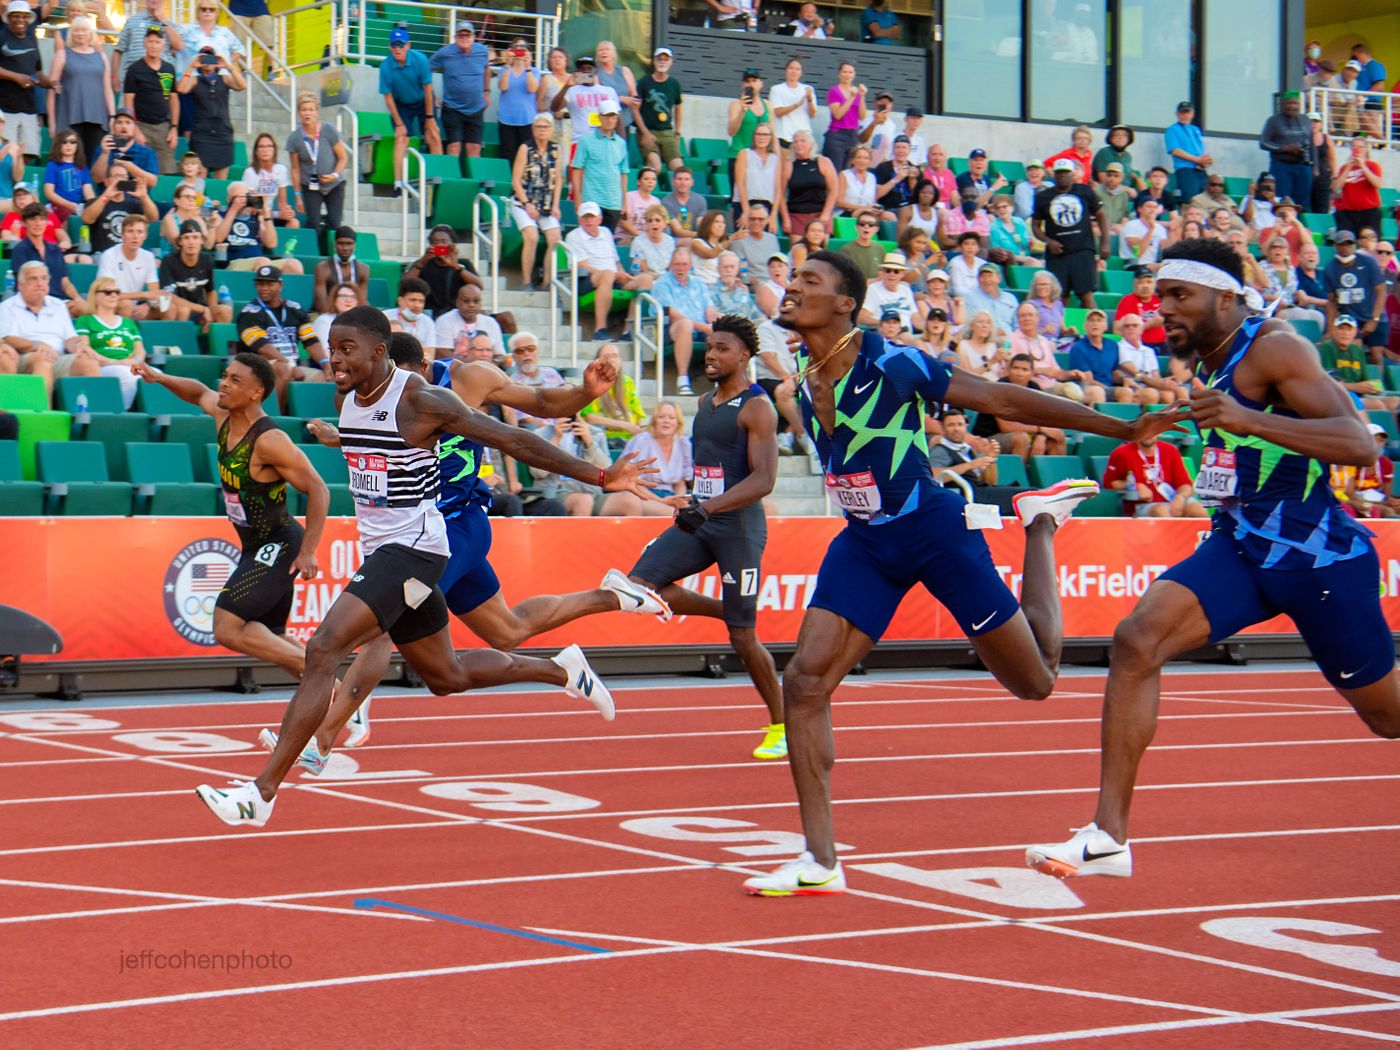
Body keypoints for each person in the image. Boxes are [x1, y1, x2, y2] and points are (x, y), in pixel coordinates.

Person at [741, 249, 1179, 896]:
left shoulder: (893, 359)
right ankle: (821, 859)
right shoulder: (802, 382)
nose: (791, 287)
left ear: (843, 304)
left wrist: (1119, 426)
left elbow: (1002, 396)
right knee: (804, 683)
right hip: (866, 542)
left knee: (1037, 681)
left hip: (934, 532)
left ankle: (1039, 525)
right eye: (793, 277)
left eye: (809, 281)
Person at [195, 308, 660, 826]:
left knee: (325, 646)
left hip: (416, 548)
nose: (336, 359)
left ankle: (262, 793)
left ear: (379, 352)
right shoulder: (346, 397)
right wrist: (339, 440)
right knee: (447, 675)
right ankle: (560, 669)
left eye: (347, 349)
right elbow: (374, 448)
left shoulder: (423, 400)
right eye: (332, 348)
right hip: (385, 550)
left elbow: (515, 440)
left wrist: (599, 475)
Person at [1025, 238, 1399, 881]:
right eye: (1160, 295)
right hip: (1241, 548)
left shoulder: (1275, 345)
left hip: (1317, 561)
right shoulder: (1213, 362)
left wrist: (1248, 423)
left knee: (1389, 719)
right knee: (1137, 639)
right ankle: (1109, 835)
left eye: (1179, 296)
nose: (1162, 308)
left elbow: (1358, 443)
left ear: (1225, 297)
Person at [135, 351, 393, 752]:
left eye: (234, 380)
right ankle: (340, 706)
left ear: (256, 393)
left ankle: (342, 698)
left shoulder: (271, 441)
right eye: (225, 376)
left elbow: (319, 489)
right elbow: (197, 392)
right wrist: (157, 376)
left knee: (227, 626)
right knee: (272, 637)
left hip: (277, 544)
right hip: (253, 545)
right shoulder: (222, 416)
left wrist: (309, 551)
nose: (223, 384)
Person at [621, 315, 786, 756]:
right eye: (709, 347)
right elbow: (713, 472)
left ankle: (781, 725)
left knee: (743, 637)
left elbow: (763, 480)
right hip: (701, 517)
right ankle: (724, 609)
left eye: (722, 349)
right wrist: (693, 498)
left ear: (745, 355)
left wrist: (707, 506)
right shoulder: (706, 401)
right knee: (636, 585)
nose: (711, 355)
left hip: (739, 529)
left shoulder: (757, 406)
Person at [236, 264, 327, 397]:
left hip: (290, 364)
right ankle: (276, 416)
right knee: (282, 369)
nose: (264, 288)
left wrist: (325, 364)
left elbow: (311, 341)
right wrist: (290, 365)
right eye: (260, 284)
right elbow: (263, 347)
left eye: (269, 284)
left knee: (322, 377)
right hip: (258, 366)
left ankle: (311, 417)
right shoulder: (249, 313)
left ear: (280, 285)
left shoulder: (295, 310)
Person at [1, 261, 89, 396]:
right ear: (21, 284)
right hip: (26, 357)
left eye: (44, 278)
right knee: (43, 359)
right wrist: (37, 345)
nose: (40, 283)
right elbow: (8, 339)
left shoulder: (58, 305)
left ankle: (91, 415)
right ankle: (43, 413)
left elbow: (69, 338)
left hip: (58, 357)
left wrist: (79, 345)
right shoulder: (8, 307)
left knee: (87, 361)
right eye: (33, 279)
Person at [1033, 158, 1108, 308]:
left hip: (1082, 250)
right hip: (1057, 253)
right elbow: (1035, 225)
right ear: (1054, 175)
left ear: (1072, 174)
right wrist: (1048, 241)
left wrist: (1105, 242)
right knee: (1059, 298)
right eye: (1059, 173)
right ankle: (1063, 330)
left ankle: (1093, 328)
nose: (1062, 176)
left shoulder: (1084, 191)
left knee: (1086, 295)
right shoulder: (1043, 196)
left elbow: (1101, 215)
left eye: (1066, 172)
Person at [563, 201, 639, 342]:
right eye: (585, 217)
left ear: (599, 219)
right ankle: (600, 330)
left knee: (644, 280)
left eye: (591, 217)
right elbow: (583, 265)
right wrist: (613, 274)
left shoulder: (606, 232)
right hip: (587, 279)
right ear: (579, 219)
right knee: (607, 274)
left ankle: (627, 331)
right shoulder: (573, 236)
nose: (588, 220)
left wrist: (622, 274)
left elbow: (615, 260)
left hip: (613, 276)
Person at [600, 401, 690, 515]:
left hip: (669, 495)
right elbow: (631, 481)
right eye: (661, 417)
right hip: (640, 495)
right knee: (672, 514)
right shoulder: (641, 441)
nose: (666, 421)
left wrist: (679, 499)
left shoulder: (683, 443)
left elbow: (679, 483)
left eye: (671, 417)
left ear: (678, 422)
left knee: (689, 515)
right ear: (654, 421)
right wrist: (661, 501)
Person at [380, 28, 440, 192]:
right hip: (401, 104)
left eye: (401, 45)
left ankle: (439, 180)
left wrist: (429, 116)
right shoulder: (385, 66)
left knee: (433, 133)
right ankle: (398, 184)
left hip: (422, 100)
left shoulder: (420, 59)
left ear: (408, 45)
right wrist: (399, 124)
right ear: (390, 47)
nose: (398, 49)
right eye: (394, 45)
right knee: (401, 137)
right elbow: (388, 97)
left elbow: (428, 89)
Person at [48, 15, 112, 169]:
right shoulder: (63, 54)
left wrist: (112, 116)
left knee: (94, 163)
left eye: (84, 30)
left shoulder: (101, 57)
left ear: (90, 33)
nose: (80, 33)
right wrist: (52, 123)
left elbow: (107, 88)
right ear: (71, 33)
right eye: (76, 30)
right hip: (70, 117)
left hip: (97, 119)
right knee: (69, 163)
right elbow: (51, 90)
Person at [286, 92, 348, 247]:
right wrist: (298, 195)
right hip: (311, 185)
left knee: (334, 223)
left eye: (311, 109)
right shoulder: (294, 138)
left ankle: (332, 254)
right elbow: (295, 168)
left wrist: (334, 175)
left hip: (334, 184)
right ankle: (314, 252)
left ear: (317, 111)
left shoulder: (329, 130)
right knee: (313, 222)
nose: (307, 113)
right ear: (299, 112)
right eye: (304, 109)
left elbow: (343, 157)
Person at [653, 246, 715, 395]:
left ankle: (722, 381)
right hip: (670, 328)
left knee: (724, 327)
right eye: (677, 265)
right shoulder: (662, 283)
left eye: (684, 265)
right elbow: (673, 314)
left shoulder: (699, 283)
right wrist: (704, 327)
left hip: (700, 329)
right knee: (685, 324)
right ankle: (682, 379)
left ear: (690, 265)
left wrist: (717, 322)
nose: (681, 269)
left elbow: (709, 309)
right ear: (671, 264)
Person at [510, 112, 562, 288]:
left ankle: (547, 282)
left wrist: (555, 205)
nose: (542, 130)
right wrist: (527, 204)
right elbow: (516, 180)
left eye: (546, 127)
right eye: (539, 127)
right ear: (533, 129)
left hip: (546, 203)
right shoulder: (525, 148)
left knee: (555, 238)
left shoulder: (556, 149)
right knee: (531, 237)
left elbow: (558, 179)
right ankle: (526, 281)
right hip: (523, 201)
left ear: (551, 130)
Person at [177, 47, 243, 179]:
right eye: (204, 58)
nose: (208, 62)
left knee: (221, 180)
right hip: (202, 135)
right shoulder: (196, 80)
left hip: (223, 132)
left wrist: (227, 65)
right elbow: (181, 88)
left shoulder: (224, 79)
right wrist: (192, 66)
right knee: (200, 176)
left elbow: (242, 85)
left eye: (211, 58)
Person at [121, 24, 177, 175]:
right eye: (150, 41)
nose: (153, 45)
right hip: (141, 125)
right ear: (145, 42)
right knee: (139, 170)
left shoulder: (169, 69)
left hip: (163, 128)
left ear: (163, 44)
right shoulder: (134, 69)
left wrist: (174, 127)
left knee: (166, 172)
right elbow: (128, 101)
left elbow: (173, 99)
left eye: (157, 42)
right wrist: (135, 129)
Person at [431, 21, 490, 163]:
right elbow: (425, 70)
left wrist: (487, 91)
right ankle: (451, 181)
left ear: (473, 37)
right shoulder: (444, 53)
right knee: (454, 147)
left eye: (467, 35)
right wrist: (431, 96)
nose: (464, 38)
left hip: (476, 108)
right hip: (452, 108)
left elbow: (487, 68)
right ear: (455, 37)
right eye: (461, 35)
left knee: (475, 148)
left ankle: (474, 183)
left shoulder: (482, 51)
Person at [1325, 228, 1388, 359]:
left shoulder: (1369, 262)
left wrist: (1374, 320)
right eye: (1341, 244)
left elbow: (1381, 291)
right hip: (1351, 318)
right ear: (1335, 246)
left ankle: (1377, 379)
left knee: (1377, 355)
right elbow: (1331, 301)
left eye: (1349, 244)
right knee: (1354, 350)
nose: (1345, 248)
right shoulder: (1330, 268)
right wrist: (1330, 328)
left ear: (1354, 245)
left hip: (1374, 315)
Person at [0, 1, 49, 158]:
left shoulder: (32, 39)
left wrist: (52, 83)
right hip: (5, 109)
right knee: (6, 155)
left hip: (29, 108)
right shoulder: (1, 36)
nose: (20, 19)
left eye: (24, 16)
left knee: (27, 154)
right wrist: (16, 78)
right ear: (8, 18)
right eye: (16, 16)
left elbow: (39, 72)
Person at [570, 99, 628, 230]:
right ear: (600, 117)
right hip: (591, 199)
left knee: (606, 241)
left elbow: (623, 174)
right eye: (606, 116)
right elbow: (577, 169)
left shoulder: (621, 143)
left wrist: (624, 202)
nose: (609, 120)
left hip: (614, 202)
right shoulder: (586, 141)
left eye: (613, 116)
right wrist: (578, 199)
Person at [80, 160, 159, 255]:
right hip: (102, 255)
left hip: (129, 256)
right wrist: (106, 196)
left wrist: (144, 196)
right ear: (106, 181)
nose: (121, 180)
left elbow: (153, 218)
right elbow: (87, 219)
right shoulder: (95, 202)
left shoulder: (134, 204)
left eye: (124, 177)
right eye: (116, 176)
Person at [159, 219, 228, 326]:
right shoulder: (169, 261)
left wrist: (210, 309)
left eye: (195, 237)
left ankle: (216, 340)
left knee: (225, 310)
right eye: (186, 238)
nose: (191, 242)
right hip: (178, 310)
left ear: (202, 241)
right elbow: (169, 297)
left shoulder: (207, 260)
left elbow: (211, 291)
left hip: (199, 310)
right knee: (183, 310)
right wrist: (203, 309)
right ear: (180, 241)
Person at [579, 342, 646, 449]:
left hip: (631, 440)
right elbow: (591, 418)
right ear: (598, 361)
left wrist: (640, 431)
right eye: (606, 356)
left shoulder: (628, 383)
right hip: (604, 440)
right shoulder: (592, 383)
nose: (612, 360)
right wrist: (624, 425)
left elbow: (637, 416)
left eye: (615, 356)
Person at [407, 224, 482, 318]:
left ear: (452, 245)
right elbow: (405, 284)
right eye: (435, 242)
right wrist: (422, 262)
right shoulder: (423, 263)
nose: (439, 245)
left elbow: (479, 286)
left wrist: (456, 266)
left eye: (444, 241)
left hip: (457, 313)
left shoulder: (463, 263)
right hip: (429, 313)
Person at [95, 213, 161, 319]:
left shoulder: (148, 257)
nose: (135, 236)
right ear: (122, 234)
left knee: (169, 308)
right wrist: (143, 295)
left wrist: (147, 305)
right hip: (111, 303)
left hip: (134, 306)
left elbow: (154, 292)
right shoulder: (109, 255)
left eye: (140, 232)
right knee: (126, 305)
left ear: (145, 236)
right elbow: (107, 293)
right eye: (130, 231)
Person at [212, 183, 283, 273]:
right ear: (229, 199)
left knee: (293, 264)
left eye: (246, 196)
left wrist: (265, 211)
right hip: (235, 263)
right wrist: (233, 209)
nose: (243, 200)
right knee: (262, 262)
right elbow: (218, 238)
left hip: (260, 261)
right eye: (239, 197)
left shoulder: (255, 218)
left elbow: (271, 244)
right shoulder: (221, 215)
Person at [1258, 91, 1312, 209]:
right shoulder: (1273, 120)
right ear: (1283, 104)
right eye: (1289, 103)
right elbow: (1263, 143)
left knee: (1303, 203)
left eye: (1295, 103)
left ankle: (1301, 226)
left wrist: (1315, 166)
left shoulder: (1305, 119)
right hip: (1281, 167)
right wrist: (1285, 148)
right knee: (1282, 200)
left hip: (1303, 167)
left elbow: (1312, 143)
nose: (1292, 106)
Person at [634, 46, 682, 174]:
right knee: (656, 168)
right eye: (659, 59)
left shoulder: (674, 84)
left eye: (666, 59)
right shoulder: (644, 82)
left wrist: (677, 134)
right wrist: (644, 133)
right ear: (654, 61)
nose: (662, 62)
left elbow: (678, 109)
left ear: (671, 62)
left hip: (667, 132)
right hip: (648, 131)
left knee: (679, 170)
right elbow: (635, 110)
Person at [780, 130, 836, 239]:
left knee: (820, 253)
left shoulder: (823, 162)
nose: (799, 144)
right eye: (796, 142)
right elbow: (780, 195)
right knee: (799, 251)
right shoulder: (788, 165)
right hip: (796, 215)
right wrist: (786, 218)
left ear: (811, 144)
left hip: (820, 214)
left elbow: (834, 189)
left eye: (802, 141)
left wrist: (826, 214)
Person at [495, 38, 539, 167]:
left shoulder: (534, 71)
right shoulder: (504, 70)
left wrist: (528, 67)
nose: (519, 50)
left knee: (526, 156)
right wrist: (508, 65)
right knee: (507, 155)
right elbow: (503, 87)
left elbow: (532, 88)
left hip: (527, 120)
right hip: (506, 120)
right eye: (516, 47)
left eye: (523, 47)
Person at [240, 132, 298, 229]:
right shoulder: (250, 172)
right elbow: (254, 208)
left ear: (274, 150)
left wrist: (287, 212)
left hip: (270, 214)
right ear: (256, 152)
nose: (265, 150)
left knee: (294, 223)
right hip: (255, 215)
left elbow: (282, 203)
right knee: (263, 221)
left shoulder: (281, 169)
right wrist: (277, 215)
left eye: (269, 146)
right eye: (261, 147)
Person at [928, 408, 998, 489]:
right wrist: (970, 465)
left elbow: (990, 482)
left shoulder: (968, 450)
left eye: (960, 424)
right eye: (951, 425)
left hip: (979, 493)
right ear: (943, 428)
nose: (956, 429)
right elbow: (933, 477)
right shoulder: (940, 450)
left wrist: (990, 459)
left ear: (966, 427)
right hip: (962, 496)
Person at [90, 109, 159, 189]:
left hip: (137, 199)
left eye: (128, 122)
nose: (123, 126)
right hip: (108, 198)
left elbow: (152, 183)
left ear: (135, 128)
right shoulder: (103, 149)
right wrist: (105, 153)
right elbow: (96, 179)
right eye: (119, 122)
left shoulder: (147, 152)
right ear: (113, 127)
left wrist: (128, 165)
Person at [1333, 135, 1383, 237]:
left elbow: (1377, 183)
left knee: (1371, 241)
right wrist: (1349, 167)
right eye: (1354, 147)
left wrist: (1363, 166)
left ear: (1366, 149)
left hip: (1369, 212)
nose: (1357, 150)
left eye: (1360, 147)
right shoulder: (1344, 168)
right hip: (1348, 213)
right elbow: (1336, 187)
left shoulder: (1373, 166)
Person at [434, 283, 503, 357]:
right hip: (457, 367)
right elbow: (443, 353)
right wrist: (472, 364)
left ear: (480, 303)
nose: (471, 305)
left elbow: (500, 355)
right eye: (466, 301)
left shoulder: (491, 322)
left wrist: (493, 363)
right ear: (457, 302)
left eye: (476, 301)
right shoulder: (444, 321)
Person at [727, 68, 770, 184]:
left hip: (761, 158)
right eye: (747, 81)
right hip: (739, 155)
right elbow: (731, 132)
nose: (751, 84)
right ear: (742, 85)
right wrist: (742, 111)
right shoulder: (735, 105)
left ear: (761, 84)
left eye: (754, 80)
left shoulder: (768, 106)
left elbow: (773, 134)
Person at [312, 226, 369, 314]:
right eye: (341, 243)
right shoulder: (323, 268)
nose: (345, 248)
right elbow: (321, 305)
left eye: (349, 244)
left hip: (353, 316)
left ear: (355, 246)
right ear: (334, 245)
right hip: (328, 314)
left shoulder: (364, 269)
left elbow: (362, 301)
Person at [734, 124, 782, 227]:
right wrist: (746, 211)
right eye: (758, 134)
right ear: (754, 136)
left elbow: (778, 188)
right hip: (745, 203)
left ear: (771, 137)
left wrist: (773, 215)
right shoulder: (744, 154)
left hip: (767, 206)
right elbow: (740, 183)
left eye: (765, 134)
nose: (761, 137)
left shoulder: (776, 159)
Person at [1164, 100, 1211, 201]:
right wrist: (1197, 160)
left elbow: (1200, 150)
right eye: (1182, 112)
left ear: (1192, 114)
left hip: (1200, 170)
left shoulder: (1195, 129)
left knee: (1206, 199)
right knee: (1191, 200)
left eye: (1187, 112)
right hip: (1185, 169)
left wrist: (1204, 161)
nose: (1185, 115)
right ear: (1177, 114)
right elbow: (1175, 150)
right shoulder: (1172, 129)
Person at [823, 62, 865, 172]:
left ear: (854, 75)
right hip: (837, 135)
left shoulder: (856, 92)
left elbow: (862, 116)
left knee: (850, 172)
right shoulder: (834, 91)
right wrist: (851, 98)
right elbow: (837, 114)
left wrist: (862, 96)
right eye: (844, 72)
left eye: (850, 72)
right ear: (839, 74)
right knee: (835, 171)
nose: (847, 75)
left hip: (853, 135)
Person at [769, 57, 814, 156]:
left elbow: (812, 114)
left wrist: (810, 99)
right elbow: (777, 112)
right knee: (785, 169)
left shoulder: (808, 89)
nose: (794, 71)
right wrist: (797, 105)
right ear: (786, 70)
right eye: (791, 68)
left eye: (797, 69)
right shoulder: (776, 89)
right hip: (784, 136)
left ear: (801, 73)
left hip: (803, 137)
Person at [43, 133, 87, 219]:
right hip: (57, 205)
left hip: (77, 207)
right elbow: (49, 193)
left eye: (72, 142)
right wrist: (68, 204)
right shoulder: (52, 165)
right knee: (66, 212)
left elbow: (88, 192)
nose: (68, 145)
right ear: (59, 145)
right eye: (64, 142)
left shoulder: (82, 167)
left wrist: (93, 204)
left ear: (77, 145)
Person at [661, 166, 708, 245]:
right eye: (679, 179)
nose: (683, 182)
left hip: (696, 238)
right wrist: (699, 235)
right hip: (673, 240)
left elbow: (700, 224)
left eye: (686, 179)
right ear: (673, 181)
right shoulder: (666, 202)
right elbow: (677, 231)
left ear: (692, 182)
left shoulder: (700, 200)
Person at [1119, 196, 1169, 269]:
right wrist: (1151, 230)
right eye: (1149, 207)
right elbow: (1138, 252)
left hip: (1152, 265)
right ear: (1140, 209)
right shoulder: (1131, 225)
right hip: (1133, 264)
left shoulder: (1160, 228)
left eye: (1155, 207)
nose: (1152, 210)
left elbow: (1165, 251)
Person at [837, 208, 885, 281]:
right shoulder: (846, 250)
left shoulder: (880, 249)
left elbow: (883, 273)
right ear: (856, 227)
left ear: (876, 229)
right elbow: (844, 277)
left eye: (871, 225)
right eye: (862, 224)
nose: (866, 226)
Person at [312, 281, 362, 347]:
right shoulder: (324, 321)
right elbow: (325, 351)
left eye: (353, 296)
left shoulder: (363, 322)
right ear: (334, 300)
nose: (348, 300)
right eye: (343, 296)